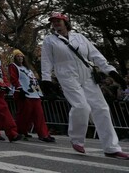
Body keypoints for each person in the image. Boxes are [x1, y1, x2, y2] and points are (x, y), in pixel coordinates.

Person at [41, 12, 129, 159]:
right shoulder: (49, 41)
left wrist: (111, 71)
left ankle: (111, 147)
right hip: (67, 75)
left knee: (102, 108)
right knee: (81, 106)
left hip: (87, 74)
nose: (56, 23)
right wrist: (46, 79)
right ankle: (77, 139)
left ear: (65, 22)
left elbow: (95, 55)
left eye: (58, 20)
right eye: (53, 21)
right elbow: (46, 60)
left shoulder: (80, 37)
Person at [7, 49, 54, 142]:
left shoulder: (27, 69)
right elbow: (14, 78)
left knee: (39, 114)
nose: (20, 58)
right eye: (18, 56)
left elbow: (33, 81)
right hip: (24, 94)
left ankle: (43, 134)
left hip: (34, 94)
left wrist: (40, 92)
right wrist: (19, 89)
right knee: (24, 115)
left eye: (21, 56)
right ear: (15, 58)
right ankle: (20, 131)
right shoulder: (13, 66)